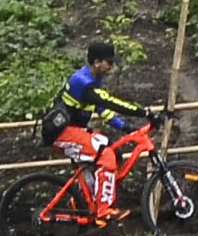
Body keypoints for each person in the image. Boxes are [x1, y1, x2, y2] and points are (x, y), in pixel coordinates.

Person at [52, 39, 153, 213]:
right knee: (106, 157)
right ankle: (103, 211)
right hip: (62, 133)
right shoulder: (82, 82)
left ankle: (84, 200)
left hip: (73, 130)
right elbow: (111, 102)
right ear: (97, 62)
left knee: (113, 151)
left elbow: (102, 110)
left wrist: (125, 127)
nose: (112, 66)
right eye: (109, 62)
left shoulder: (92, 78)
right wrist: (144, 113)